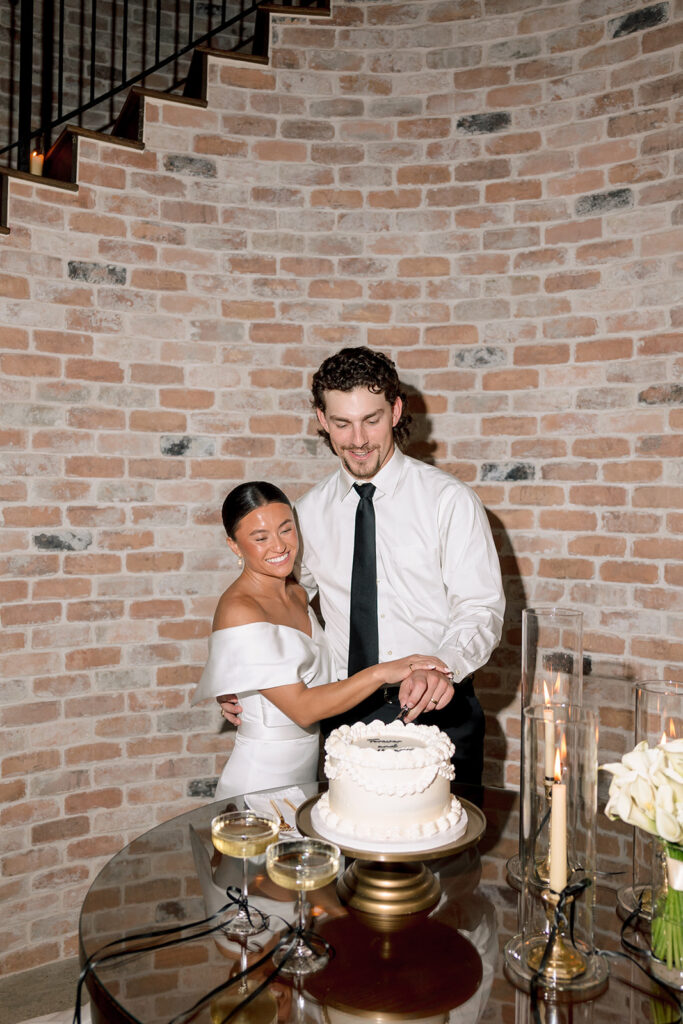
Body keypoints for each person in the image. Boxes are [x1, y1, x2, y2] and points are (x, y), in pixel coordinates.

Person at [221, 348, 505, 787]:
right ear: (320, 418)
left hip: (438, 711)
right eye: (341, 423)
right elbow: (281, 604)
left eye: (371, 420)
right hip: (345, 717)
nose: (357, 439)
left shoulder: (449, 501)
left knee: (445, 853)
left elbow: (480, 607)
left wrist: (440, 665)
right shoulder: (307, 513)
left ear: (395, 410)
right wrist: (250, 674)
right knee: (348, 852)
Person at [192, 481, 452, 799]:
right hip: (259, 780)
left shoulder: (298, 592)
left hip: (306, 774)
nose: (279, 546)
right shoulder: (240, 609)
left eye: (286, 530)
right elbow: (302, 709)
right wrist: (386, 671)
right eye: (260, 538)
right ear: (234, 545)